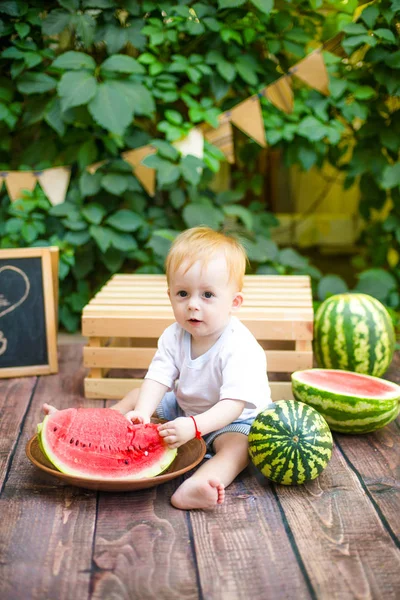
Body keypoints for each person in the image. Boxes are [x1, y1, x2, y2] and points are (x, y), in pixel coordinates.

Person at [44, 226, 271, 510]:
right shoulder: (174, 335)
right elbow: (158, 377)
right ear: (170, 295)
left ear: (234, 302)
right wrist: (142, 409)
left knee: (238, 448)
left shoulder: (240, 347)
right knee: (137, 393)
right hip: (185, 408)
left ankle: (201, 484)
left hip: (236, 420)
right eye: (183, 293)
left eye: (208, 295)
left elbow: (233, 405)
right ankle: (86, 426)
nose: (193, 306)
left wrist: (195, 426)